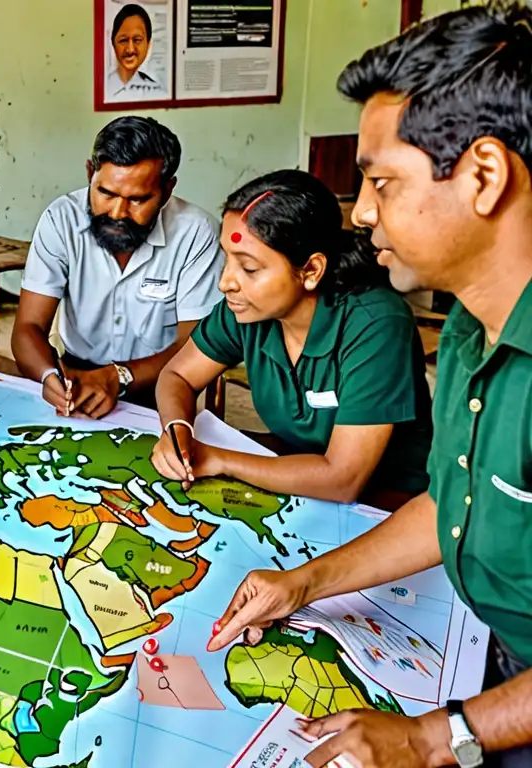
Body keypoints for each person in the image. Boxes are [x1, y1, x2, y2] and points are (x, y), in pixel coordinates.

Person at [208, 4, 532, 767]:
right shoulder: (466, 331)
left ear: (484, 175)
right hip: (489, 655)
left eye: (382, 182)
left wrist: (436, 737)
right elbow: (449, 505)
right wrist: (304, 583)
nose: (362, 212)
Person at [151, 170, 432, 507]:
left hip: (384, 503)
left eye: (250, 269)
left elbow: (343, 480)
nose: (226, 282)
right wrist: (178, 428)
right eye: (228, 259)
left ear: (311, 271)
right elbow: (177, 375)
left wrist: (218, 459)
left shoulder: (375, 324)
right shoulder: (247, 309)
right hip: (293, 478)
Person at [12, 116, 224, 419]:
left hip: (161, 382)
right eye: (106, 193)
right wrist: (49, 376)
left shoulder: (196, 232)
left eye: (138, 199)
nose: (118, 213)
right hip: (73, 374)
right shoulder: (61, 220)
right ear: (90, 173)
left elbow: (194, 346)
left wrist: (119, 377)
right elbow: (27, 327)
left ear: (167, 190)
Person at [106, 4, 165, 101]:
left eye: (137, 40)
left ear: (148, 43)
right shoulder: (104, 88)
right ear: (113, 42)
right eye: (123, 40)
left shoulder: (157, 93)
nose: (130, 49)